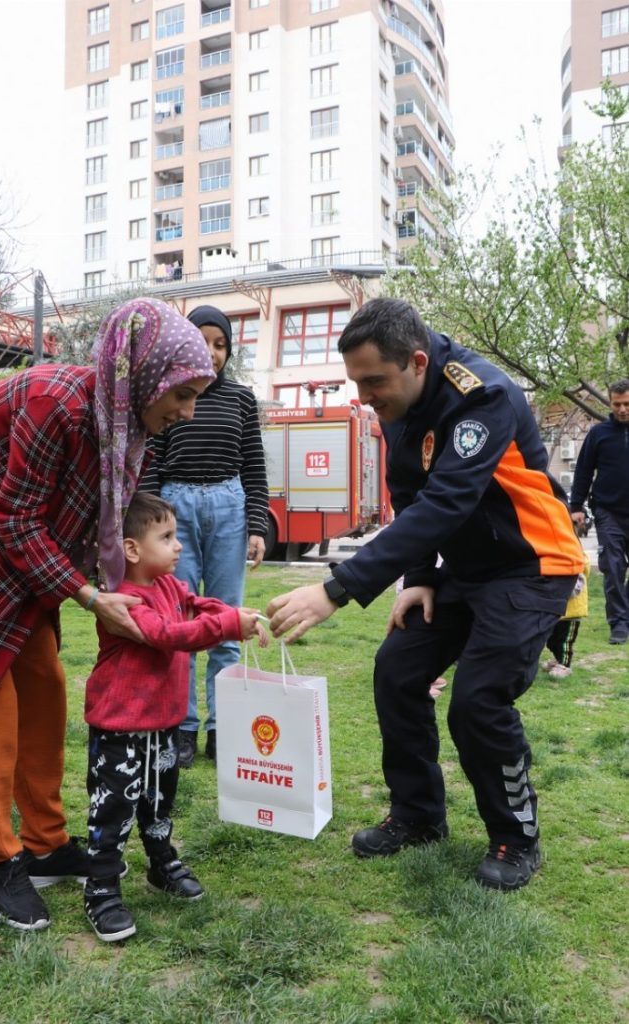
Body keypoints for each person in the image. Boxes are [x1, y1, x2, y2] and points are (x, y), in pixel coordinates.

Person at [267, 297, 584, 892]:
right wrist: (418, 580)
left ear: (417, 361)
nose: (364, 397)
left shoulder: (480, 396)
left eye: (374, 382)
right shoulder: (398, 400)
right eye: (356, 382)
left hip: (532, 565)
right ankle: (417, 817)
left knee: (478, 702)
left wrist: (338, 589)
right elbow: (410, 495)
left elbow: (447, 503)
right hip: (466, 572)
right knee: (396, 669)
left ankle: (518, 836)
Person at [0, 297, 215, 931]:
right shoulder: (55, 404)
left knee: (45, 682)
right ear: (145, 374)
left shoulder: (128, 429)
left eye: (198, 394)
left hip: (24, 554)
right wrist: (91, 596)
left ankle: (43, 843)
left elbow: (99, 523)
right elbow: (14, 519)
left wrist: (134, 596)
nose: (188, 410)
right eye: (182, 393)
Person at [82, 492, 267, 942]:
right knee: (114, 809)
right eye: (166, 536)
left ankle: (161, 861)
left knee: (159, 801)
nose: (178, 545)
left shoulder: (168, 585)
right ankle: (102, 887)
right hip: (120, 726)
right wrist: (227, 627)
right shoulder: (121, 599)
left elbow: (195, 604)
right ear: (131, 549)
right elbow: (166, 635)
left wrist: (230, 613)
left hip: (163, 723)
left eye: (176, 535)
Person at [140, 305, 269, 768]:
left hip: (229, 508)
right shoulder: (167, 396)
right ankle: (183, 728)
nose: (212, 353)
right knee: (179, 623)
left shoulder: (241, 399)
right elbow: (150, 461)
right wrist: (154, 522)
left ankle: (223, 728)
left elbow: (254, 465)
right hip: (176, 510)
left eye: (220, 344)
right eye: (202, 341)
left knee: (228, 625)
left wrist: (257, 524)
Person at [570, 379, 629, 645]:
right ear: (610, 402)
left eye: (627, 404)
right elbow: (583, 470)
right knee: (613, 568)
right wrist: (576, 506)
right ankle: (618, 622)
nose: (622, 409)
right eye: (617, 404)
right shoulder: (599, 434)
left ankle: (625, 611)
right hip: (608, 511)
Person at [542, 553, 590, 679]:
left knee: (565, 642)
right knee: (551, 641)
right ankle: (558, 659)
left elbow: (584, 569)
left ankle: (564, 665)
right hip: (555, 610)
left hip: (571, 612)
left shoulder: (578, 557)